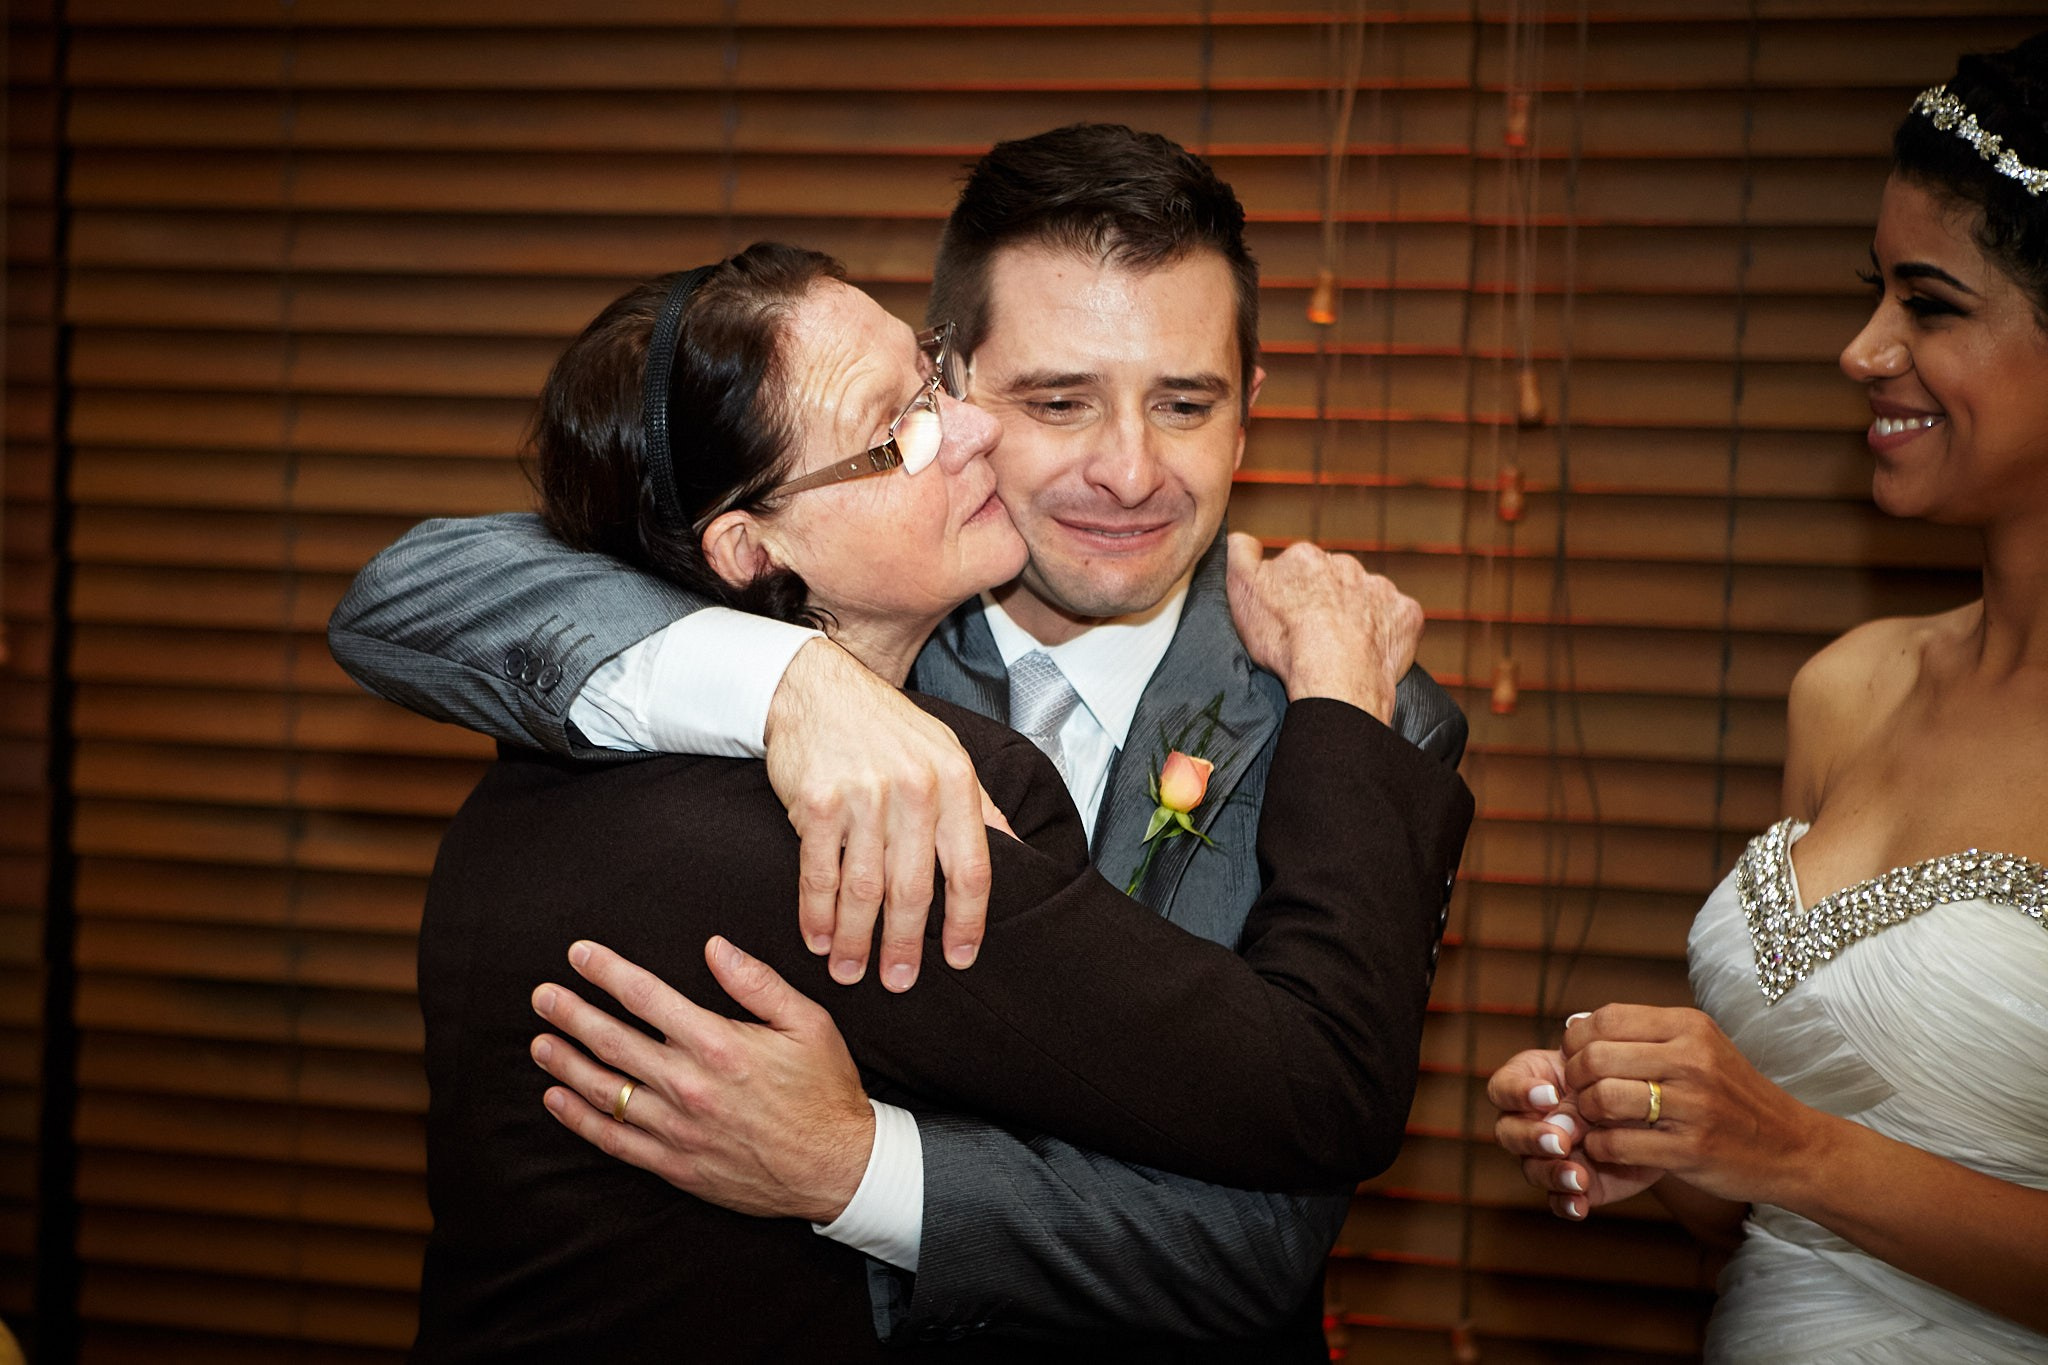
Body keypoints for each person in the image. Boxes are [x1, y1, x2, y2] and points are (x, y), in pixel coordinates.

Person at [333, 125, 1467, 1354]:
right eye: (1054, 400)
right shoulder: (878, 726)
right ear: (971, 382)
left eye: (1181, 405)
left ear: (1247, 416)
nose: (1128, 470)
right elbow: (412, 586)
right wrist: (791, 683)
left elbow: (1255, 1252)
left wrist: (862, 1169)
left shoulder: (1362, 724)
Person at [1487, 35, 2048, 1363]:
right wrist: (1654, 1140)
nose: (1864, 351)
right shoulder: (1846, 693)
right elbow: (1786, 1226)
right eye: (1875, 295)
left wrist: (1783, 1146)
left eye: (1931, 304)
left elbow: (1810, 1160)